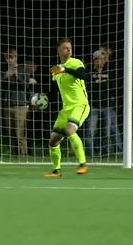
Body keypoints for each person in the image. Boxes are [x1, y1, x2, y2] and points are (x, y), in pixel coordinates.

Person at [43, 38, 90, 177]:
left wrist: (66, 69)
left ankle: (83, 164)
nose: (68, 50)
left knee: (70, 130)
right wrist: (40, 101)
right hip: (66, 109)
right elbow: (53, 93)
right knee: (53, 140)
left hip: (80, 105)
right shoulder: (56, 70)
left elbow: (83, 75)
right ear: (58, 50)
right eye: (65, 48)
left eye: (69, 47)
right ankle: (56, 171)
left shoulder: (75, 63)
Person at [0, 48, 28, 156]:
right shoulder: (3, 73)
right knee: (10, 133)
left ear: (16, 57)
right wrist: (5, 77)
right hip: (7, 106)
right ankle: (14, 155)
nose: (8, 60)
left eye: (11, 57)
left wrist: (16, 75)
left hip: (20, 106)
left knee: (20, 133)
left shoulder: (22, 71)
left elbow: (25, 86)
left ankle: (23, 156)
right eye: (6, 58)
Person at [85, 50, 122, 155]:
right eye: (98, 59)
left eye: (102, 59)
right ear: (94, 60)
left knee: (107, 130)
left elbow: (112, 86)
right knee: (91, 131)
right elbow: (89, 87)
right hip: (93, 105)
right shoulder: (89, 72)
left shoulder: (109, 71)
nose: (101, 62)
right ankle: (90, 153)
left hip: (107, 105)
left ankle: (106, 151)